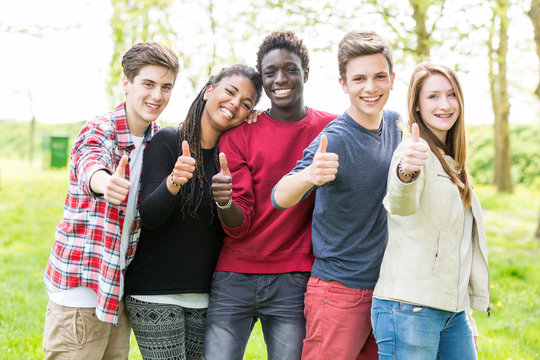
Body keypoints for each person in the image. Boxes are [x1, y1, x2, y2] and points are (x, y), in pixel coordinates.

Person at [204, 31, 337, 360]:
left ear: (306, 73)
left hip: (294, 278)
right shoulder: (239, 135)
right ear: (262, 81)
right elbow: (239, 224)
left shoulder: (333, 130)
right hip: (234, 275)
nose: (281, 79)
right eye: (270, 72)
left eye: (290, 69)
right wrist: (225, 202)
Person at [43, 42, 179, 359]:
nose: (157, 96)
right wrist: (106, 182)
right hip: (82, 289)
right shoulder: (99, 129)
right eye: (148, 84)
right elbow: (88, 162)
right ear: (127, 83)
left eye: (166, 86)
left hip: (117, 289)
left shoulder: (158, 139)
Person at [272, 30, 401, 360]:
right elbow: (280, 195)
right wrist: (310, 176)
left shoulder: (396, 125)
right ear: (343, 84)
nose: (370, 88)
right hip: (340, 292)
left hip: (387, 292)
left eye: (378, 77)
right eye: (358, 79)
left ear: (392, 79)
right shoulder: (337, 139)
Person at [123, 64, 262, 360]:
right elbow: (150, 216)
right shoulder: (169, 141)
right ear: (209, 90)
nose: (235, 104)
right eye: (230, 92)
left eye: (246, 103)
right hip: (155, 293)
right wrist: (174, 180)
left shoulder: (233, 158)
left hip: (205, 296)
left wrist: (258, 124)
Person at [370, 63, 490, 359]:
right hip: (409, 307)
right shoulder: (412, 151)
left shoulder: (452, 162)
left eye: (451, 95)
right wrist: (406, 173)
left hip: (452, 311)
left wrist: (467, 316)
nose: (445, 104)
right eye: (433, 97)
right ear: (418, 107)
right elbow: (400, 204)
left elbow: (455, 245)